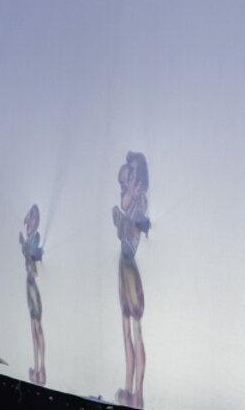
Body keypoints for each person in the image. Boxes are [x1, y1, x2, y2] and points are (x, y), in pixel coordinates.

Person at [114, 152, 151, 407]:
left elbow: (133, 219)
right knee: (126, 328)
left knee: (136, 331)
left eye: (134, 172)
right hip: (122, 264)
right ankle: (128, 386)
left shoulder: (141, 201)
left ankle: (138, 391)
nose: (130, 178)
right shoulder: (130, 200)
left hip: (130, 269)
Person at [19, 204, 46, 385]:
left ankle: (41, 368)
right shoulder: (30, 239)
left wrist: (24, 245)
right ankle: (36, 367)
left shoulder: (34, 239)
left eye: (32, 220)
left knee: (37, 327)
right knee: (33, 327)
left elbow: (32, 257)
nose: (29, 224)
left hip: (33, 287)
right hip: (29, 287)